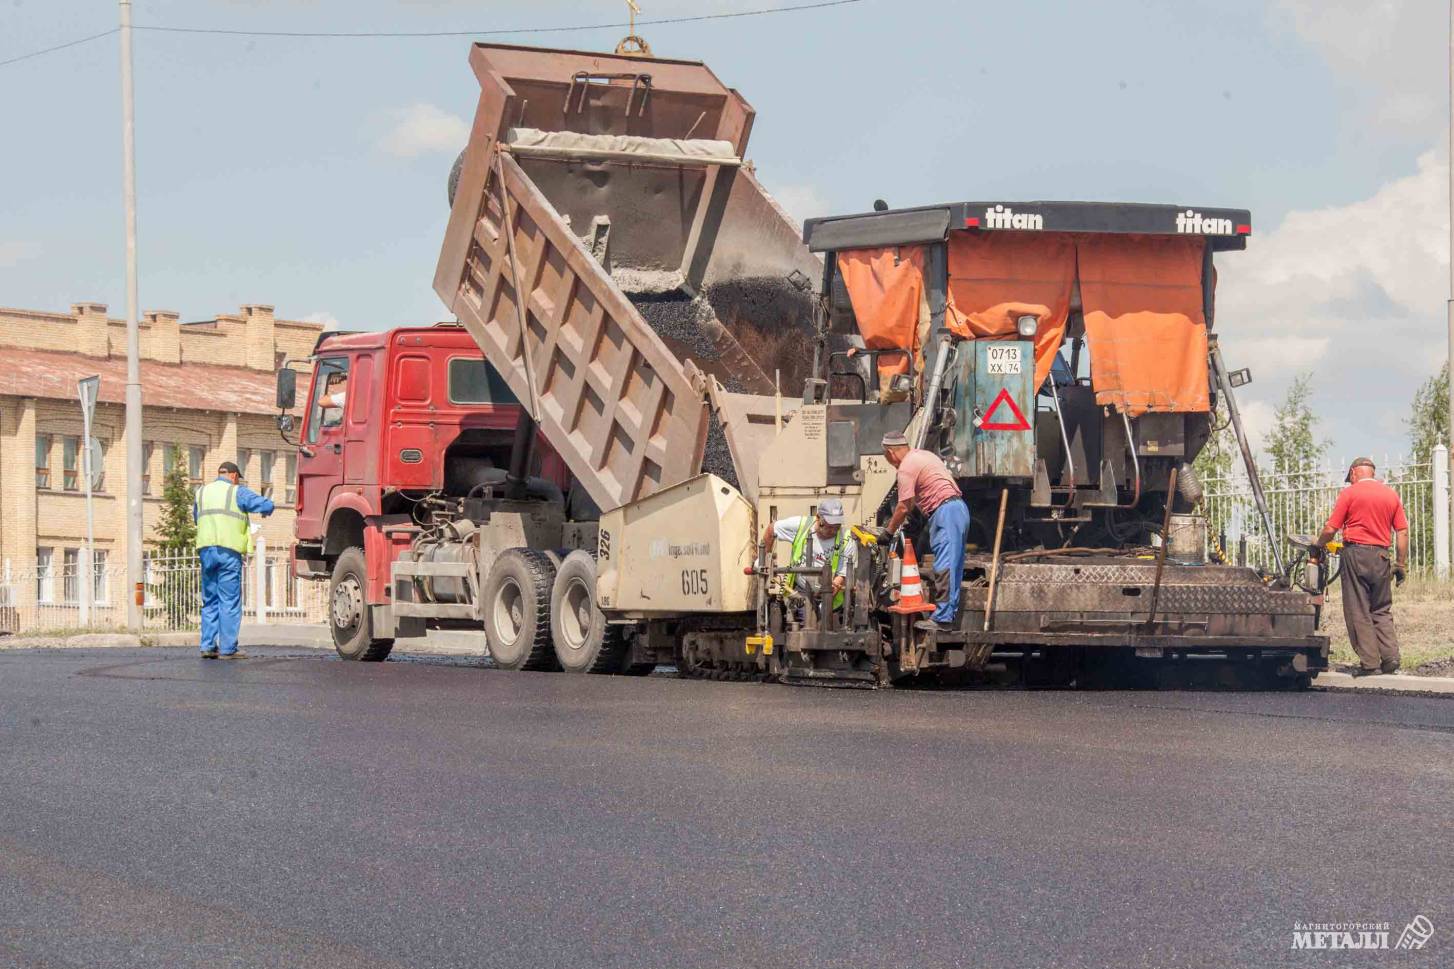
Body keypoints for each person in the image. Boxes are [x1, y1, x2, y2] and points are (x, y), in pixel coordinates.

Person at [1314, 456, 1408, 677]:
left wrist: (1318, 545)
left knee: (1358, 609)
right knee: (1381, 608)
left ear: (1354, 472)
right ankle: (1390, 657)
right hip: (1382, 556)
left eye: (1351, 477)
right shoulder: (1390, 494)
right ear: (1372, 473)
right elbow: (1402, 532)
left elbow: (1331, 528)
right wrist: (1400, 564)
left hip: (1356, 554)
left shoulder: (1350, 493)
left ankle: (1370, 663)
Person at [880, 431, 971, 629]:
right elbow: (915, 502)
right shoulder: (924, 455)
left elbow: (904, 506)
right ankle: (947, 614)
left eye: (888, 459)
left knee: (945, 565)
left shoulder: (905, 468)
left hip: (946, 512)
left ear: (890, 452)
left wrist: (887, 532)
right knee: (953, 565)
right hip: (957, 509)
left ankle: (943, 618)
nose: (891, 463)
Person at [195, 461, 275, 659]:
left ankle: (207, 646)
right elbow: (265, 504)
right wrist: (267, 509)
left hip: (206, 550)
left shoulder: (202, 493)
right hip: (228, 551)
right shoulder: (236, 492)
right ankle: (228, 648)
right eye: (238, 478)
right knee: (229, 600)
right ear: (233, 475)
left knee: (210, 599)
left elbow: (196, 518)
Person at [760, 498, 855, 613]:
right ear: (818, 518)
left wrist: (828, 593)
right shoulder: (801, 525)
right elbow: (771, 530)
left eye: (837, 526)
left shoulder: (846, 538)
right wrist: (764, 560)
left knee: (826, 624)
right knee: (803, 622)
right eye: (829, 526)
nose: (833, 531)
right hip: (802, 589)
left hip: (830, 593)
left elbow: (842, 574)